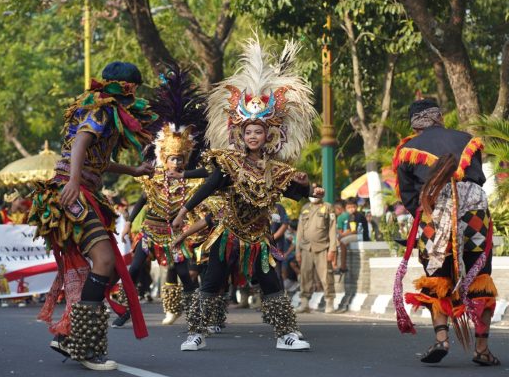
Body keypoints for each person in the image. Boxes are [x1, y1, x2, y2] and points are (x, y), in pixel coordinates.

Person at [171, 39, 320, 352]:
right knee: (211, 284)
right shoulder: (229, 163)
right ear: (240, 134)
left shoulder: (276, 169)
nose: (253, 136)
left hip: (259, 238)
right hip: (228, 234)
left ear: (269, 135)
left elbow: (294, 190)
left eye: (259, 131)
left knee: (271, 284)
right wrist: (185, 210)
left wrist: (310, 189)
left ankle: (286, 334)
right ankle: (195, 333)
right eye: (248, 131)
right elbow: (210, 184)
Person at [27, 62, 156, 371]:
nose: (134, 94)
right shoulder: (99, 111)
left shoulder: (109, 116)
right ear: (120, 87)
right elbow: (81, 145)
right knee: (105, 262)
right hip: (72, 191)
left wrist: (134, 170)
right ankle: (84, 346)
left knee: (108, 271)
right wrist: (72, 182)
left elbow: (98, 160)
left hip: (87, 191)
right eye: (131, 88)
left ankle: (72, 336)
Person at [392, 98, 499, 366]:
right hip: (475, 212)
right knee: (480, 277)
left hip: (434, 213)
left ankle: (442, 338)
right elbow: (479, 178)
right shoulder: (468, 139)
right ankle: (482, 348)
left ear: (415, 124)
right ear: (439, 117)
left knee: (437, 278)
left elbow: (408, 195)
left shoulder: (407, 150)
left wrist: (429, 212)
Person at [112, 64, 212, 328]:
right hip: (149, 230)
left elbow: (202, 195)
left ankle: (195, 317)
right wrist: (128, 226)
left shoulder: (191, 182)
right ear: (163, 158)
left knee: (185, 275)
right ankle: (124, 311)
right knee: (133, 270)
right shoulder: (153, 177)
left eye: (180, 159)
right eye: (172, 159)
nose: (176, 163)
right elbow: (143, 200)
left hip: (175, 234)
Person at [295, 185, 337, 313]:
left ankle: (329, 302)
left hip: (322, 247)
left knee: (326, 276)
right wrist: (297, 250)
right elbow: (299, 231)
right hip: (306, 248)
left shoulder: (327, 207)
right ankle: (304, 303)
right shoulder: (305, 208)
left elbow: (332, 229)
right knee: (305, 276)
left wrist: (332, 249)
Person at [336, 197, 369, 273]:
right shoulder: (350, 216)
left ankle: (343, 266)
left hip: (361, 236)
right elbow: (348, 229)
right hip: (355, 234)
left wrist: (343, 236)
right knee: (338, 240)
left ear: (357, 206)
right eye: (349, 207)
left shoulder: (359, 216)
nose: (351, 209)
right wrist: (341, 235)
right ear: (346, 208)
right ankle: (336, 265)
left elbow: (355, 231)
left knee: (343, 242)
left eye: (353, 207)